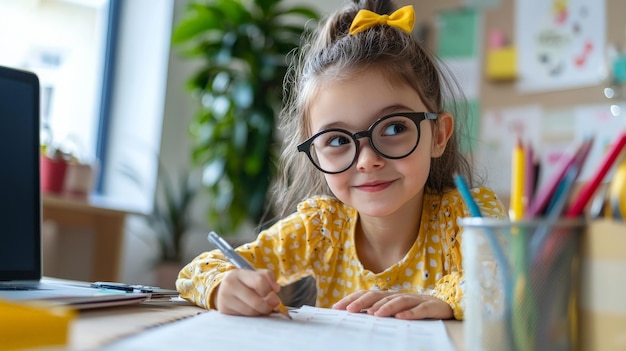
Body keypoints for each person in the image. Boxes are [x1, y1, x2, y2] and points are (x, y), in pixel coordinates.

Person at [176, 0, 506, 321]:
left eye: (393, 127)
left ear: (438, 135)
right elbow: (196, 272)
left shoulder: (466, 215)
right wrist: (223, 286)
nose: (367, 160)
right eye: (336, 140)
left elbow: (507, 280)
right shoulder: (322, 228)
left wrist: (440, 300)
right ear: (315, 152)